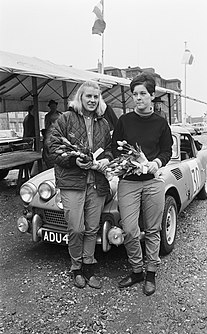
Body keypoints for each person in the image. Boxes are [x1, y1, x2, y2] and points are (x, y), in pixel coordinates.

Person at [112, 72, 173, 296]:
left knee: (153, 229)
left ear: (151, 95)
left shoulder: (160, 123)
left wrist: (157, 162)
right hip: (128, 182)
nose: (138, 98)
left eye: (142, 94)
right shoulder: (124, 121)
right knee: (129, 229)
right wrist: (124, 161)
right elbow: (113, 148)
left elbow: (168, 150)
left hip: (152, 182)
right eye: (135, 94)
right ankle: (136, 269)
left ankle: (151, 273)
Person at [48, 81, 112, 289]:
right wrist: (72, 160)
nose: (92, 100)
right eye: (88, 96)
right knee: (76, 227)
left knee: (92, 228)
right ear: (80, 98)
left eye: (96, 97)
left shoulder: (103, 123)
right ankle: (76, 267)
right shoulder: (65, 119)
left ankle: (89, 267)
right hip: (72, 182)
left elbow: (110, 149)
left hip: (96, 182)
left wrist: (106, 159)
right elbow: (53, 148)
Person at [42, 100, 62, 168]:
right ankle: (49, 160)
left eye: (54, 106)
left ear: (56, 106)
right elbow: (47, 126)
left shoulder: (60, 114)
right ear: (50, 107)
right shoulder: (47, 116)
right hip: (50, 131)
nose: (53, 107)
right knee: (47, 144)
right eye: (51, 106)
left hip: (60, 130)